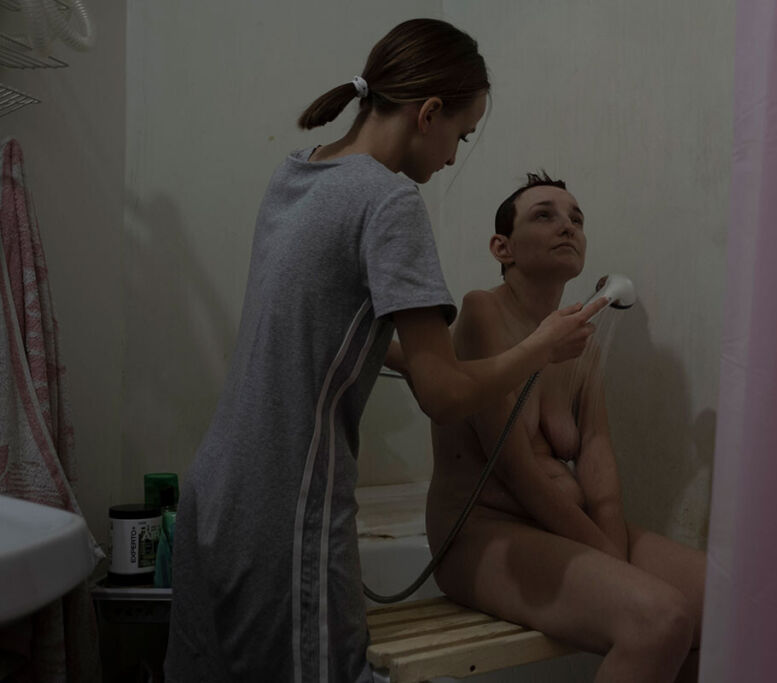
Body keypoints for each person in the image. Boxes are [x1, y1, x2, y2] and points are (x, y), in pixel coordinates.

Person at [164, 22, 605, 683]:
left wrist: (397, 354)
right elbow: (444, 395)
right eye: (462, 135)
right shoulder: (390, 200)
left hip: (215, 494)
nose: (453, 158)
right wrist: (541, 347)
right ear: (429, 114)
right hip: (286, 506)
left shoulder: (296, 173)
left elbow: (311, 331)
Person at [426, 173, 707, 683]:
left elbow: (597, 455)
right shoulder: (482, 310)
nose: (567, 226)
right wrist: (609, 556)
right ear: (502, 248)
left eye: (576, 219)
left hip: (562, 528)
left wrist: (612, 545)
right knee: (660, 620)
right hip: (481, 535)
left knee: (727, 606)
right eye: (545, 215)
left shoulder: (579, 339)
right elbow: (513, 468)